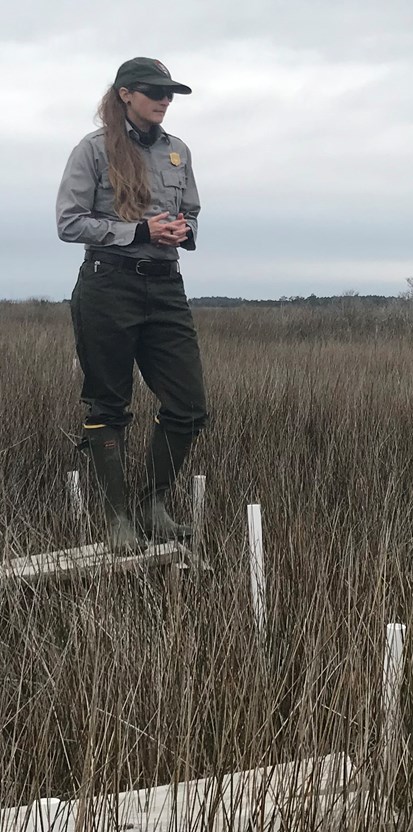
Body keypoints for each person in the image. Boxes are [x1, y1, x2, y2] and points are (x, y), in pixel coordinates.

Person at [56, 58, 208, 551]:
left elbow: (193, 212)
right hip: (108, 286)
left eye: (170, 93)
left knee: (188, 406)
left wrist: (184, 231)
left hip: (165, 287)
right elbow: (69, 222)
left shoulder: (178, 152)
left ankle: (151, 504)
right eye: (154, 91)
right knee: (109, 406)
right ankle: (119, 518)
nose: (165, 100)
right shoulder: (94, 150)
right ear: (125, 94)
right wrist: (140, 230)